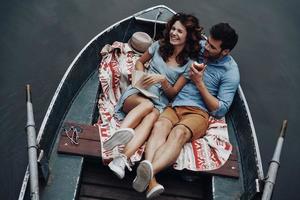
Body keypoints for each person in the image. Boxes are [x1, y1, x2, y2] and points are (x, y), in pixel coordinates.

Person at [132, 22, 239, 198]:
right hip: (174, 105)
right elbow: (175, 42)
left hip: (198, 113)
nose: (206, 47)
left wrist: (199, 83)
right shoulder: (199, 47)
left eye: (212, 47)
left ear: (225, 51)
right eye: (208, 42)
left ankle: (148, 172)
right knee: (159, 127)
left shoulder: (230, 72)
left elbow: (220, 110)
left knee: (179, 133)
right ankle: (150, 181)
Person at [103, 13, 203, 180]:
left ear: (189, 37)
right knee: (148, 107)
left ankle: (122, 159)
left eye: (179, 31)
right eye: (173, 29)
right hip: (138, 94)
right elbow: (140, 62)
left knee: (152, 115)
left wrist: (163, 80)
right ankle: (120, 133)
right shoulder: (159, 45)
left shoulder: (189, 64)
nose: (173, 33)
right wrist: (141, 77)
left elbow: (172, 93)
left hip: (159, 101)